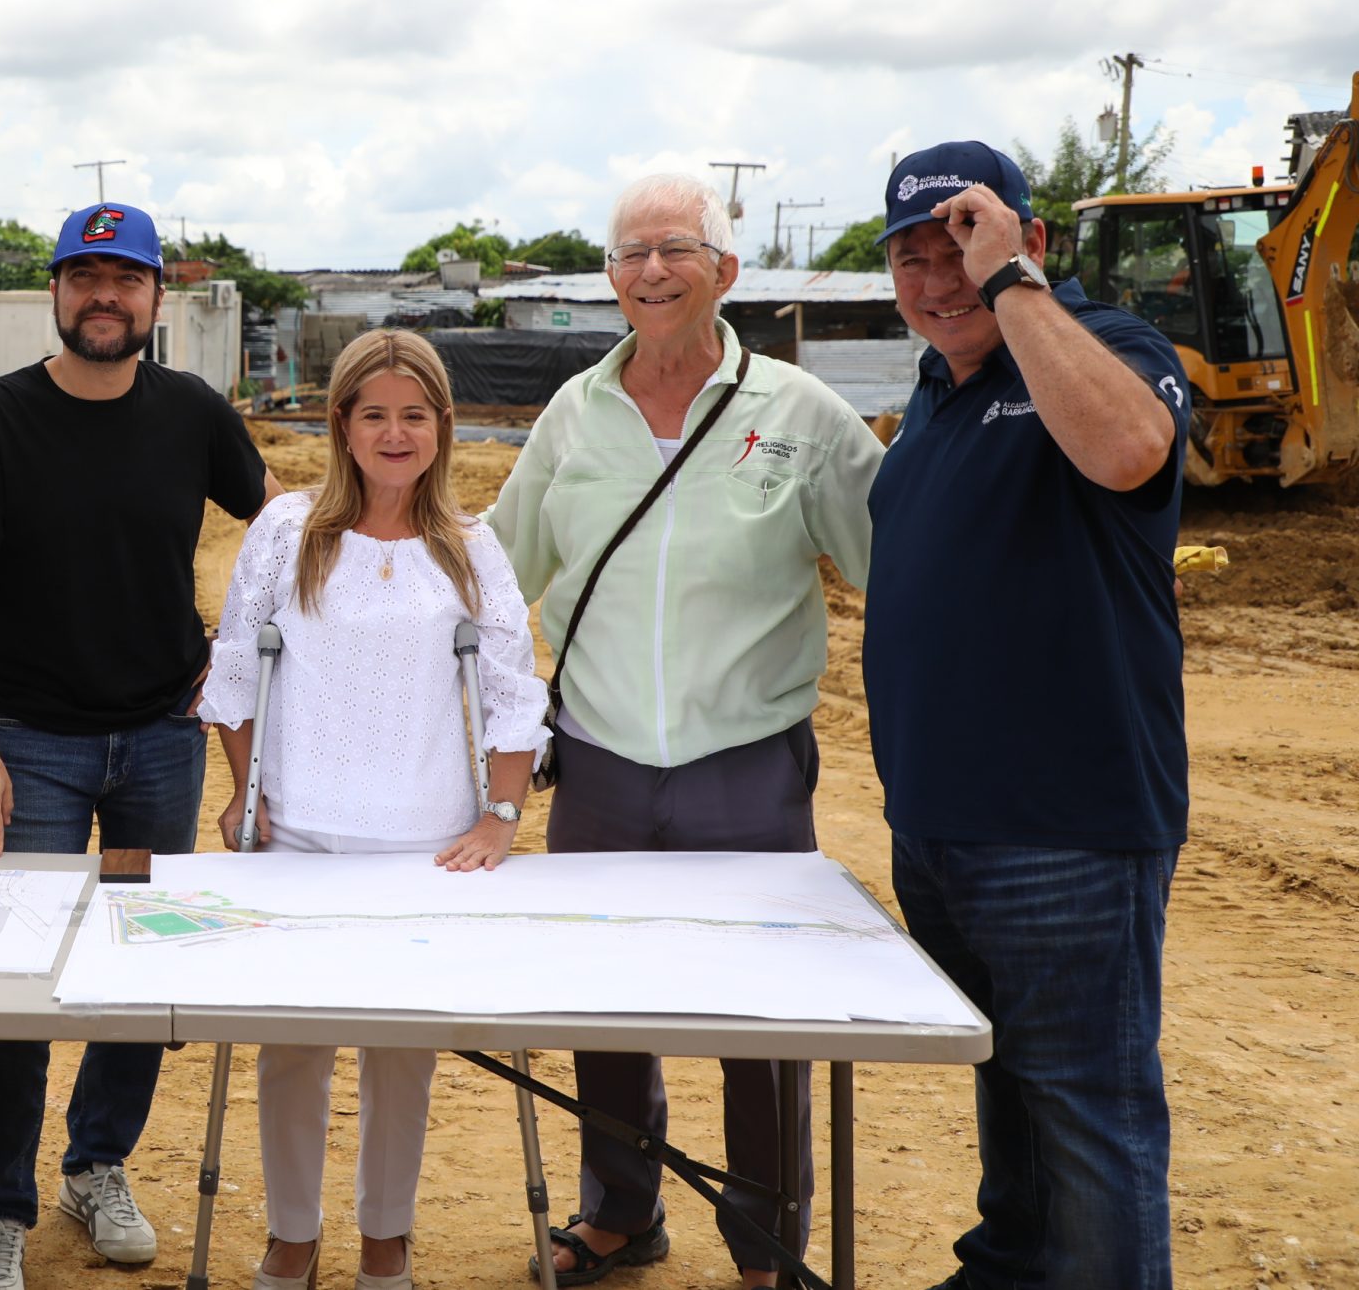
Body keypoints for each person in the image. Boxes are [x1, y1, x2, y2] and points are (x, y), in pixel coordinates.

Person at [485, 173, 880, 1288]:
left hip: (746, 764)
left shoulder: (800, 416)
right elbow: (490, 572)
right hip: (603, 759)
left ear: (725, 270)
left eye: (673, 248)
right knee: (605, 1000)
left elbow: (895, 569)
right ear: (607, 280)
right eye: (627, 254)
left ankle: (763, 1246)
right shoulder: (575, 412)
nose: (650, 271)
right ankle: (619, 1213)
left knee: (761, 1020)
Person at [0, 200, 280, 1290]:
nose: (105, 297)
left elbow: (277, 538)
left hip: (160, 737)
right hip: (30, 743)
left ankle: (97, 1164)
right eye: (85, 277)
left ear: (157, 298)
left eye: (126, 279)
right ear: (56, 293)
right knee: (17, 982)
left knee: (132, 975)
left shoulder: (192, 414)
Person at [862, 143, 1189, 1290]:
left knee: (1087, 1107)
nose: (934, 278)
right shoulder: (937, 389)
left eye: (956, 245)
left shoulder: (1104, 349)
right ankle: (1010, 1268)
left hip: (1063, 830)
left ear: (1026, 241)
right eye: (910, 258)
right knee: (1009, 1085)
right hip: (942, 829)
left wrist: (1012, 286)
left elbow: (1127, 449)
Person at [205, 329, 549, 1290]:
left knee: (404, 1052)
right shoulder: (288, 529)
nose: (395, 433)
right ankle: (292, 1233)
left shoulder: (472, 548)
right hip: (303, 833)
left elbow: (514, 691)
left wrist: (502, 816)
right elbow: (238, 668)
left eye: (414, 414)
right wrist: (248, 786)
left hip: (427, 842)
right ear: (342, 425)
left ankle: (387, 1235)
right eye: (374, 415)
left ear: (441, 425)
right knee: (292, 1046)